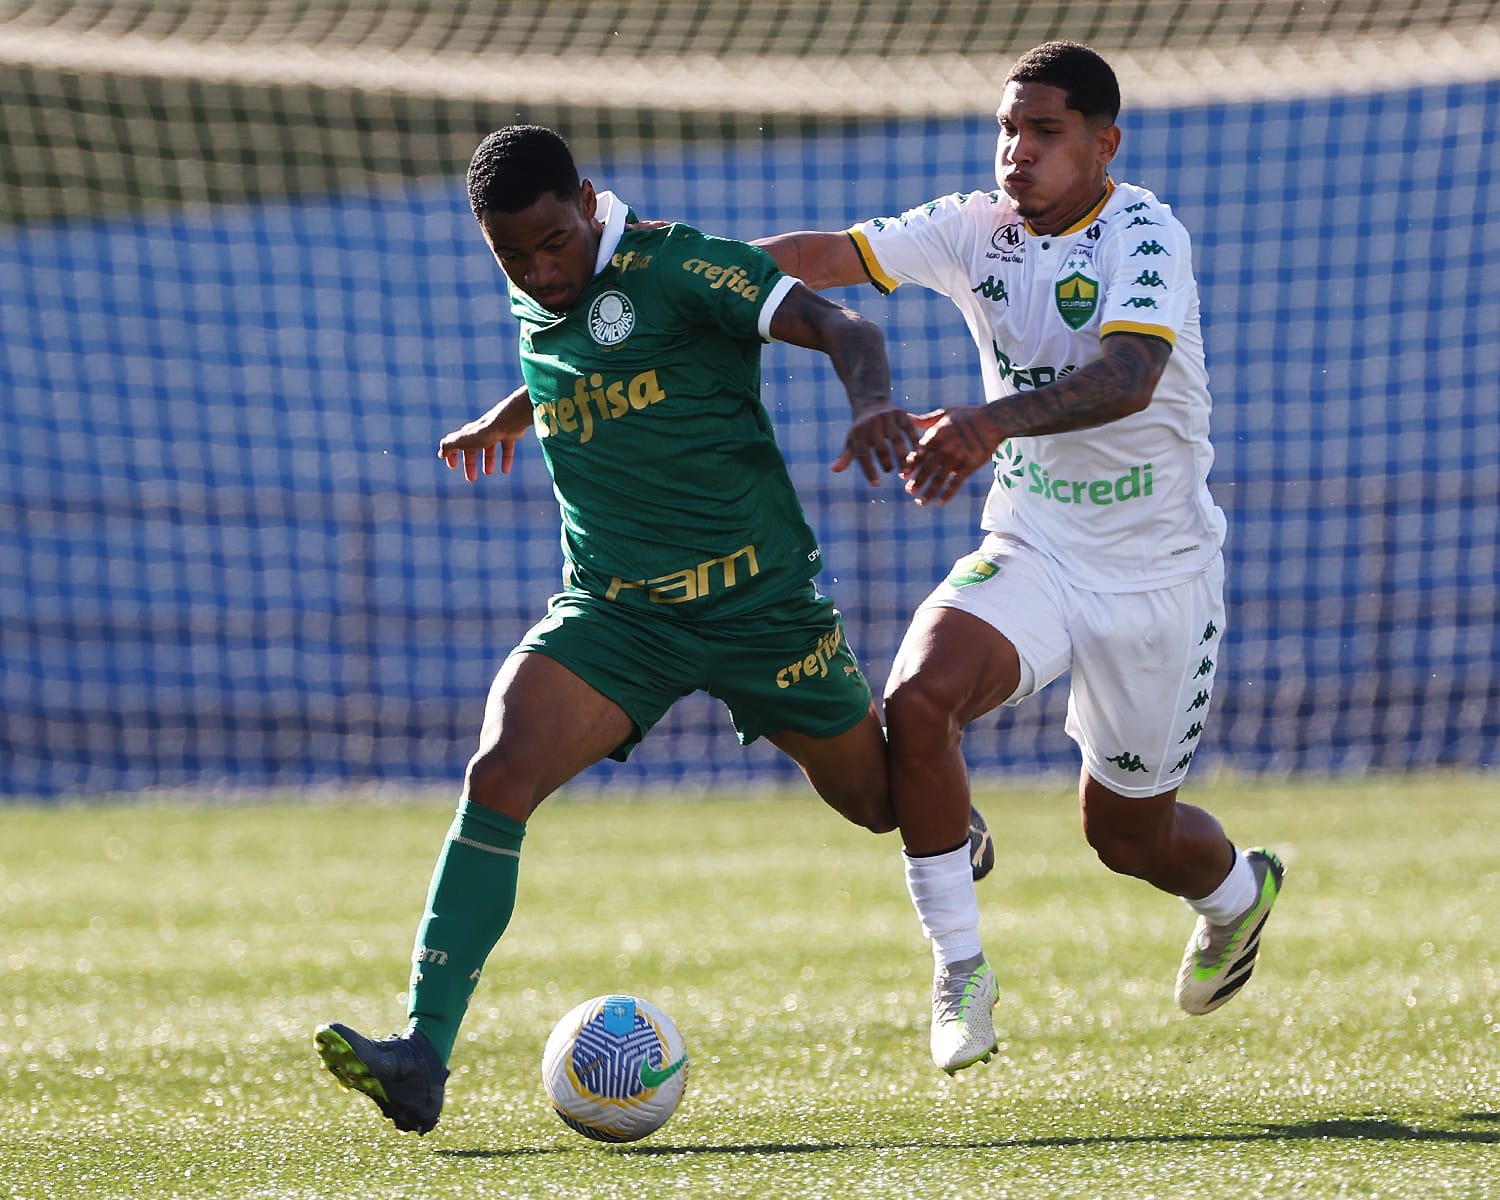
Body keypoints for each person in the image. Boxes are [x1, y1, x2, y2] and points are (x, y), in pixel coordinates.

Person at [313, 123, 934, 1135]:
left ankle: (946, 810)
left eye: (554, 243)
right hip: (619, 614)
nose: (540, 271)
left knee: (882, 806)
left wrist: (872, 408)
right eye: (513, 256)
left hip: (759, 607)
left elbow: (849, 329)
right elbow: (590, 361)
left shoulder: (686, 266)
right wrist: (509, 418)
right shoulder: (539, 283)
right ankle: (423, 1054)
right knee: (499, 770)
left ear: (588, 200)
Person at [754, 40, 1284, 1075]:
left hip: (1158, 574)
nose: (1018, 152)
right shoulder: (975, 230)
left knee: (1127, 839)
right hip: (1035, 542)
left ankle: (1236, 894)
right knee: (918, 703)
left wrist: (989, 422)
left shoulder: (1144, 233)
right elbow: (816, 256)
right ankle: (962, 970)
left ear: (1102, 143)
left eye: (1043, 132)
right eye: (1008, 128)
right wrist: (662, 266)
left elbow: (1130, 377)